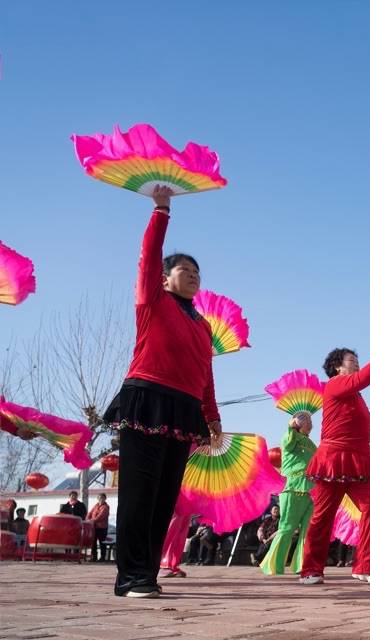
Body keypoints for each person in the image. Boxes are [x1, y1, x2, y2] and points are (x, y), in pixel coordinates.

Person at [101, 186, 222, 598]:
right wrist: (162, 211)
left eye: (197, 272)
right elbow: (148, 256)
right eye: (184, 269)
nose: (192, 275)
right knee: (139, 492)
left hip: (184, 410)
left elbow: (204, 373)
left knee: (165, 497)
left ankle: (146, 574)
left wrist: (213, 418)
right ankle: (130, 575)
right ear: (165, 277)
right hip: (147, 399)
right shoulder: (152, 300)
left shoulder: (203, 326)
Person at [298, 336, 370, 587]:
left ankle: (368, 566)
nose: (357, 365)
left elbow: (360, 383)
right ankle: (311, 569)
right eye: (352, 361)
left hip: (358, 463)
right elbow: (363, 378)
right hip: (333, 461)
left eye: (357, 361)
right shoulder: (335, 384)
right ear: (337, 367)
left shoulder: (356, 395)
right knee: (323, 516)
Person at [260, 411, 317, 576]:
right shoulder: (289, 437)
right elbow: (288, 439)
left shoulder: (312, 444)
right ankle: (273, 565)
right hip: (292, 488)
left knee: (308, 530)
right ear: (299, 423)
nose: (312, 424)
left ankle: (302, 565)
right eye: (308, 421)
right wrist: (291, 426)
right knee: (287, 527)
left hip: (311, 490)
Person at [86, 494, 110, 561]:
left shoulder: (106, 507)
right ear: (97, 498)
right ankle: (94, 557)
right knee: (93, 542)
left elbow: (100, 517)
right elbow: (90, 513)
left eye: (102, 498)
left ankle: (102, 557)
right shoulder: (96, 505)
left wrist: (91, 520)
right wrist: (87, 519)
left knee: (102, 542)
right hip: (94, 527)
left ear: (105, 498)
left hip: (102, 527)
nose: (101, 499)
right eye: (99, 498)